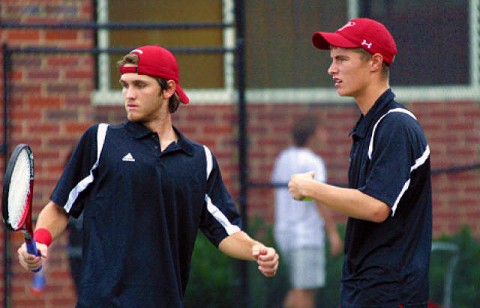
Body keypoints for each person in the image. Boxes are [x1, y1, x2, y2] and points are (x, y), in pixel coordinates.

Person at [17, 45, 279, 307]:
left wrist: (257, 250)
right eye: (125, 85)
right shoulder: (100, 140)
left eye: (140, 85)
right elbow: (61, 207)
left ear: (168, 90)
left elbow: (225, 231)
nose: (129, 95)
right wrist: (40, 241)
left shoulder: (200, 160)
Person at [288, 18, 432, 307]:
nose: (332, 69)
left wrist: (312, 188)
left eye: (342, 58)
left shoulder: (395, 126)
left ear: (375, 62)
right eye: (332, 60)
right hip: (366, 287)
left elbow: (376, 206)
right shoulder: (372, 124)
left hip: (389, 292)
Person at [272, 116, 342, 308]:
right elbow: (320, 199)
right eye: (321, 131)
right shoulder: (313, 161)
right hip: (306, 235)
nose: (325, 135)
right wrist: (333, 234)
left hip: (284, 233)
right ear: (311, 136)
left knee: (298, 289)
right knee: (305, 292)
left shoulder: (283, 158)